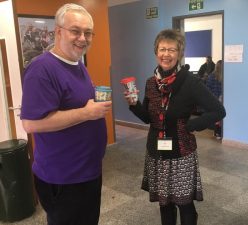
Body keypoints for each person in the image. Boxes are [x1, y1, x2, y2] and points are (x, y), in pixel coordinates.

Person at [20, 3, 112, 225]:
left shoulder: (78, 64)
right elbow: (31, 124)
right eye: (75, 31)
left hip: (87, 171)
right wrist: (86, 113)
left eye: (88, 32)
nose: (83, 38)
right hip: (63, 177)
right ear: (58, 32)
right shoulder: (41, 69)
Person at [123, 29, 226, 225]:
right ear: (156, 52)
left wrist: (191, 125)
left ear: (179, 53)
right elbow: (148, 118)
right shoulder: (151, 83)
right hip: (157, 153)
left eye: (172, 49)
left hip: (181, 154)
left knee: (184, 204)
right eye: (162, 49)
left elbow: (218, 110)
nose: (166, 54)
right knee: (165, 204)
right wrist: (133, 104)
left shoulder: (190, 82)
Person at [206, 60, 223, 139]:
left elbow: (208, 89)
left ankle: (216, 133)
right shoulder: (225, 76)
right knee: (221, 117)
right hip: (222, 99)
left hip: (213, 99)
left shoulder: (211, 76)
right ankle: (220, 133)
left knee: (216, 117)